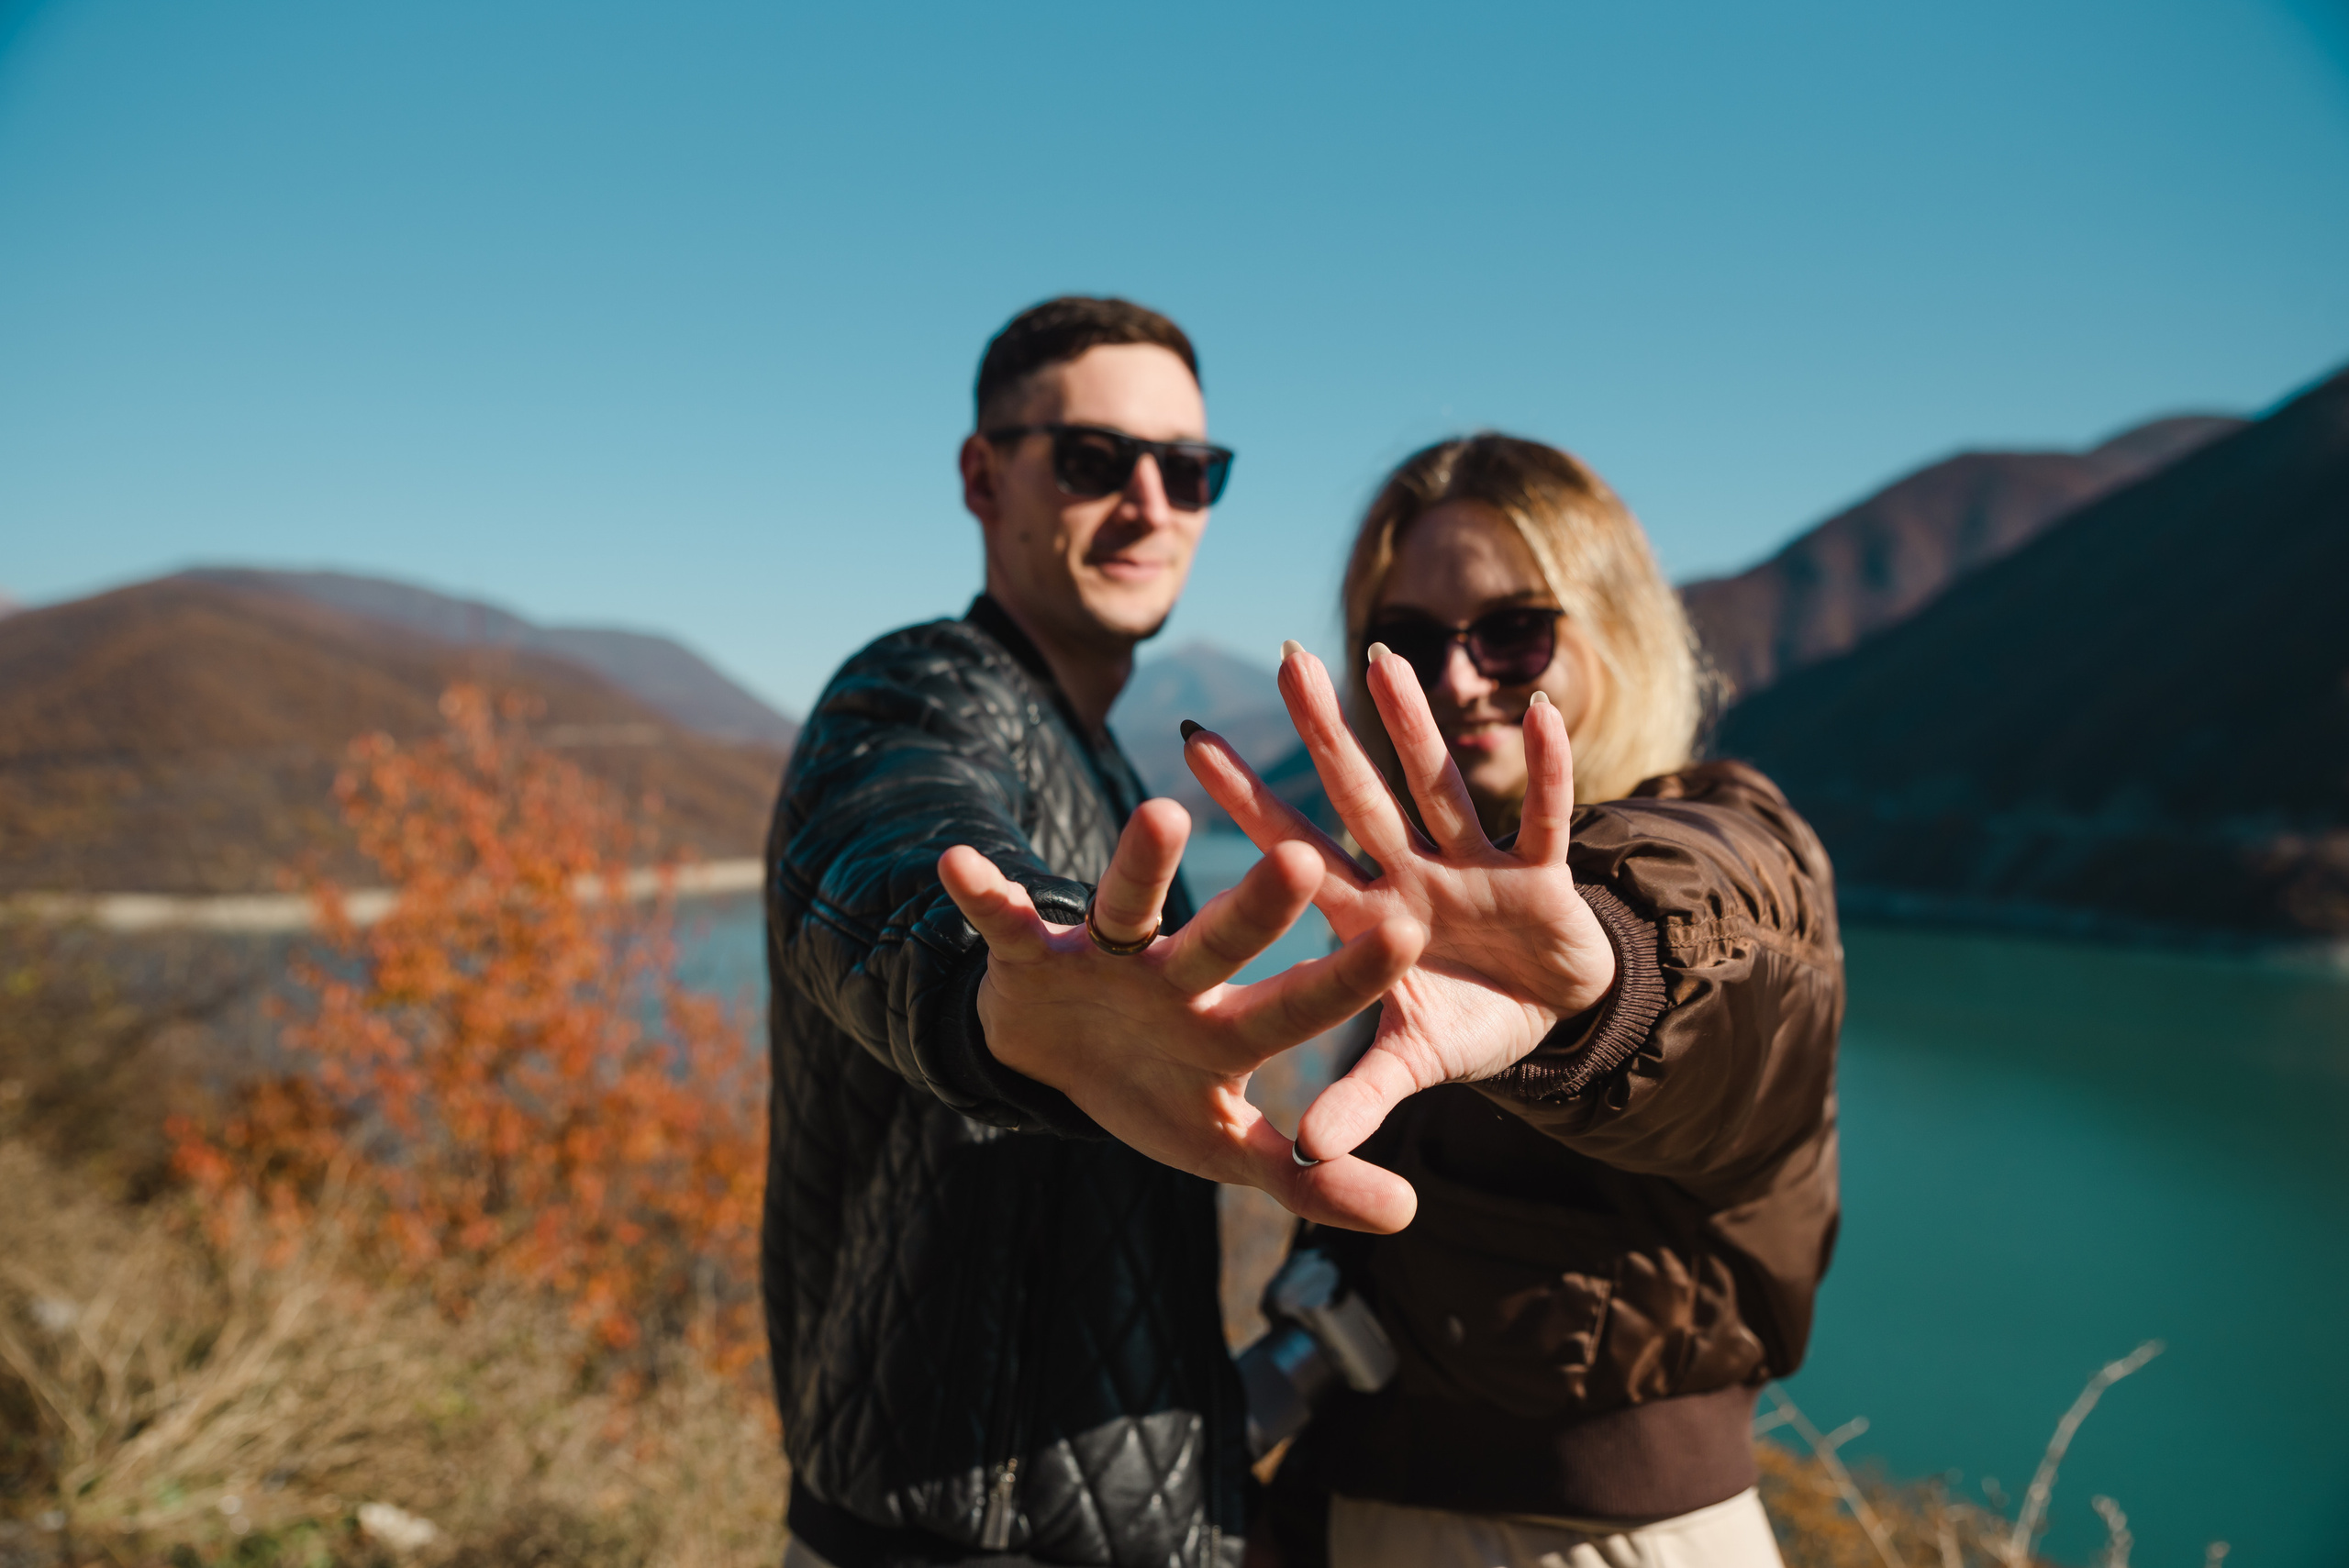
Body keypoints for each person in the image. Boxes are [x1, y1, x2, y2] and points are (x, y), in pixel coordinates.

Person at [763, 297, 1419, 1568]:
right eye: (1093, 460)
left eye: (1191, 470)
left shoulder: (1108, 765)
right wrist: (998, 985)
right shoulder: (917, 689)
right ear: (982, 473)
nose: (1151, 504)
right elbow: (890, 833)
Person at [1185, 435, 1843, 1568]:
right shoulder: (1434, 923)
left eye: (1512, 631)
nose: (1458, 677)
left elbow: (1734, 958)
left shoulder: (1729, 841)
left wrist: (1607, 987)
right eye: (1408, 642)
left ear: (1619, 631)